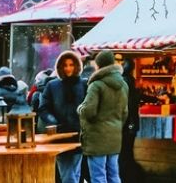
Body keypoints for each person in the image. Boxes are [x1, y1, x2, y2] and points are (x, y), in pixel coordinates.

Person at [78, 50, 129, 183]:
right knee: (114, 174)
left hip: (97, 138)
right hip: (115, 137)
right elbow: (124, 113)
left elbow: (89, 111)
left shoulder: (96, 85)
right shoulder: (124, 85)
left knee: (98, 176)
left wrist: (80, 108)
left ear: (98, 65)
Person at [39, 51, 87, 183]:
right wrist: (53, 122)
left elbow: (90, 107)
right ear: (60, 67)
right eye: (65, 65)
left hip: (79, 135)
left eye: (71, 64)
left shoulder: (84, 84)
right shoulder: (52, 85)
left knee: (75, 173)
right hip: (60, 136)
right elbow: (43, 108)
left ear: (77, 66)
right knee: (68, 175)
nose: (68, 68)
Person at [118, 58, 143, 183]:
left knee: (124, 152)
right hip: (130, 123)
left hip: (125, 123)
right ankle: (128, 177)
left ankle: (126, 177)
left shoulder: (122, 81)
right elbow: (132, 102)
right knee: (127, 152)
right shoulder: (129, 81)